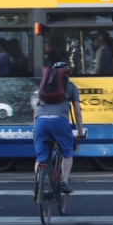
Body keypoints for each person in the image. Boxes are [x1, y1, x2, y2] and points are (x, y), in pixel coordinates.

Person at [33, 62, 85, 194]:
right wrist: (80, 131)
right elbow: (77, 112)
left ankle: (38, 187)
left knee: (40, 157)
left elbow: (36, 106)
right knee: (67, 151)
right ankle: (64, 182)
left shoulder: (43, 85)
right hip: (59, 121)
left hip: (40, 121)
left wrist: (36, 127)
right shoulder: (71, 86)